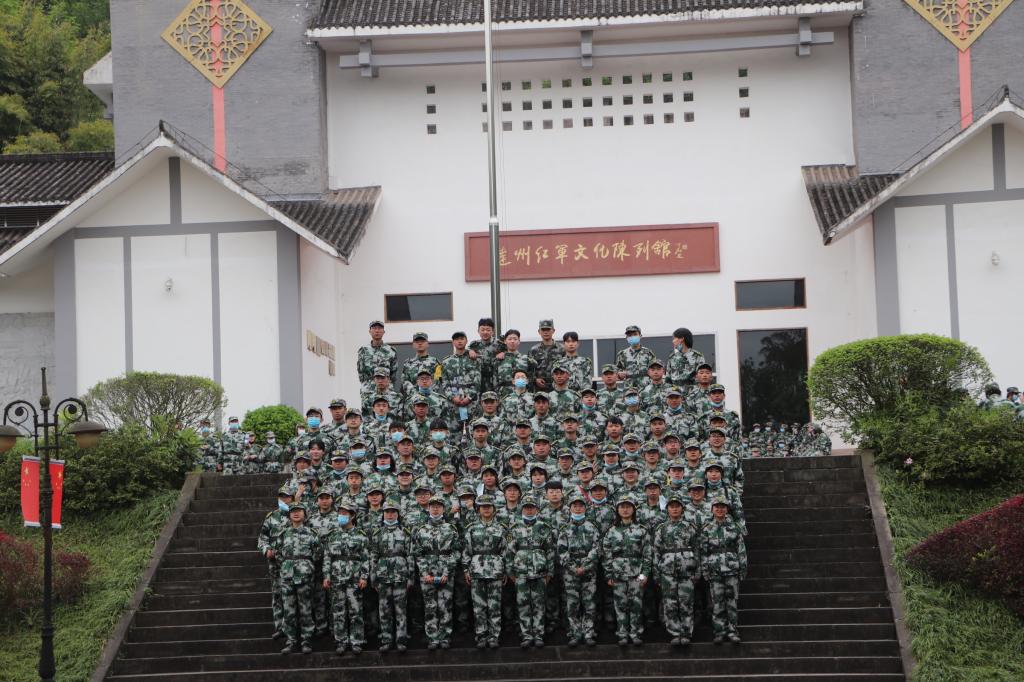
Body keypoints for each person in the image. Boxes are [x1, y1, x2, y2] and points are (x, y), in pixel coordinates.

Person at [504, 494, 555, 648]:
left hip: (540, 572)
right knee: (523, 605)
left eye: (532, 508)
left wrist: (550, 572)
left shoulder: (544, 527)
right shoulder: (514, 528)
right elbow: (509, 552)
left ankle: (538, 634)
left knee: (539, 604)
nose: (529, 510)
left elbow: (550, 551)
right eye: (526, 508)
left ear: (536, 509)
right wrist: (510, 573)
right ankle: (526, 635)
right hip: (521, 573)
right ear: (522, 509)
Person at [601, 495, 652, 646]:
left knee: (636, 605)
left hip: (637, 574)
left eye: (628, 507)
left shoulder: (641, 530)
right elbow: (606, 555)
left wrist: (645, 574)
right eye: (622, 507)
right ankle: (622, 634)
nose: (625, 510)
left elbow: (647, 554)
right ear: (617, 510)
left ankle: (636, 633)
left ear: (633, 510)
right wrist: (609, 574)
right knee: (620, 605)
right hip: (617, 575)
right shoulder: (611, 531)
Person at [322, 496, 371, 655]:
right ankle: (341, 641)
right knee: (338, 612)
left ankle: (357, 641)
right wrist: (326, 576)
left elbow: (365, 558)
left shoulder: (361, 535)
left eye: (345, 513)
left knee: (356, 611)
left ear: (352, 515)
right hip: (336, 578)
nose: (341, 515)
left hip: (354, 578)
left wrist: (364, 576)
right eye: (340, 512)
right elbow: (327, 557)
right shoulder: (332, 535)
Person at [412, 496, 460, 649]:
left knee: (445, 605)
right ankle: (432, 637)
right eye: (432, 506)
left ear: (444, 509)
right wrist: (424, 573)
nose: (435, 508)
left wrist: (447, 572)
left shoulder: (451, 528)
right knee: (430, 606)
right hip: (427, 573)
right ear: (428, 508)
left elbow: (456, 552)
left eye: (438, 506)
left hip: (446, 572)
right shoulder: (420, 529)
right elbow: (417, 553)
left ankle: (445, 637)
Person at [274, 502, 323, 654]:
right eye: (293, 511)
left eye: (299, 511)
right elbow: (278, 554)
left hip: (305, 576)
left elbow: (318, 554)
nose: (296, 513)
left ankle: (306, 640)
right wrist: (287, 566)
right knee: (288, 609)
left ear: (304, 514)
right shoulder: (283, 534)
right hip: (287, 576)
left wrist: (306, 566)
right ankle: (291, 640)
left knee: (305, 609)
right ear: (289, 515)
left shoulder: (311, 533)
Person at [652, 493, 701, 646]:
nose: (674, 509)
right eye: (671, 507)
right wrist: (656, 573)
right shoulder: (661, 528)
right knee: (670, 603)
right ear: (667, 509)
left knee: (686, 602)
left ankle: (686, 632)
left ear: (682, 509)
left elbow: (697, 550)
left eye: (677, 506)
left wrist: (698, 571)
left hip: (687, 570)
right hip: (667, 571)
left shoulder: (690, 527)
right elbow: (656, 551)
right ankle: (674, 632)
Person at [700, 495, 747, 644]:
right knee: (717, 603)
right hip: (714, 570)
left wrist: (743, 568)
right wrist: (705, 570)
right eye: (717, 507)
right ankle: (719, 632)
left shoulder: (735, 527)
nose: (720, 509)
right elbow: (703, 552)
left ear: (727, 509)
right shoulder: (707, 529)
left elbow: (741, 550)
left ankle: (732, 631)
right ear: (712, 509)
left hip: (732, 569)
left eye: (722, 507)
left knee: (732, 602)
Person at [462, 493, 506, 649]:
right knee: (479, 606)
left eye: (489, 507)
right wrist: (466, 569)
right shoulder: (471, 528)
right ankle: (481, 636)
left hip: (496, 571)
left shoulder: (501, 528)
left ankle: (494, 636)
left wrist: (505, 570)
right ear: (478, 509)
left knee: (494, 606)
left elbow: (505, 551)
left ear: (494, 509)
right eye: (483, 507)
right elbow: (466, 550)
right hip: (477, 570)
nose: (486, 509)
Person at [371, 497, 414, 652]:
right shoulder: (377, 533)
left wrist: (411, 578)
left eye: (393, 512)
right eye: (387, 512)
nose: (390, 515)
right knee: (384, 609)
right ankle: (386, 639)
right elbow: (373, 556)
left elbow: (410, 555)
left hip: (400, 575)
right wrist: (373, 578)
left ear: (398, 514)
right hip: (382, 575)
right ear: (383, 514)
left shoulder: (405, 533)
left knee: (401, 609)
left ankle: (401, 640)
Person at [557, 493, 600, 647]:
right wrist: (573, 567)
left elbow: (596, 549)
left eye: (580, 506)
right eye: (574, 506)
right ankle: (575, 633)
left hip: (589, 570)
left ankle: (588, 632)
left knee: (589, 602)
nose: (577, 508)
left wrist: (585, 566)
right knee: (572, 603)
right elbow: (561, 550)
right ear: (570, 508)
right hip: (570, 572)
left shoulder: (592, 527)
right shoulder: (565, 528)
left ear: (585, 508)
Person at [258, 485, 294, 640]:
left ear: (292, 498)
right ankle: (280, 627)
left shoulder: (297, 514)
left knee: (293, 596)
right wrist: (266, 549)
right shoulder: (272, 517)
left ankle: (293, 628)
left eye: (287, 497)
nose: (284, 499)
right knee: (278, 595)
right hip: (276, 563)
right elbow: (262, 538)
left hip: (293, 563)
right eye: (281, 497)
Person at [357, 320, 397, 387]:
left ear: (383, 332)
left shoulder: (391, 351)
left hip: (386, 389)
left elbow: (393, 373)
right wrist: (366, 386)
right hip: (369, 389)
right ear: (370, 331)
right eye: (374, 328)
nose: (377, 331)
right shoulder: (363, 350)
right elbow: (361, 372)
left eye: (379, 328)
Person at [529, 319, 565, 390]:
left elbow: (567, 368)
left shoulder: (562, 349)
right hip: (539, 388)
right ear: (539, 331)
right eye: (543, 330)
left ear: (553, 330)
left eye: (548, 329)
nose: (546, 332)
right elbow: (529, 369)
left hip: (558, 387)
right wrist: (535, 379)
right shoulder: (533, 350)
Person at [400, 332, 441, 396]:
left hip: (430, 397)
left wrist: (428, 393)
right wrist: (414, 394)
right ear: (413, 345)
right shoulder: (408, 363)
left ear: (427, 344)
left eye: (422, 341)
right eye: (417, 342)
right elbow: (404, 381)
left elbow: (437, 380)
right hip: (412, 398)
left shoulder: (435, 362)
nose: (420, 343)